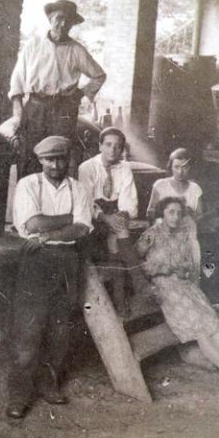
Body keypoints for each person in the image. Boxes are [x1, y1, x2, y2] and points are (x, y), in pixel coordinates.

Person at [7, 135, 93, 419]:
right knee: (28, 330)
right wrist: (69, 218)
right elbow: (32, 222)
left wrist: (46, 234)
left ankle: (47, 384)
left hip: (68, 260)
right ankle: (19, 395)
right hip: (36, 261)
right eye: (50, 159)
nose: (56, 164)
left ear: (69, 159)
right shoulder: (27, 184)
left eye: (61, 159)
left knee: (60, 330)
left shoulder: (79, 188)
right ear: (41, 160)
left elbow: (82, 229)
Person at [136, 197, 219, 381]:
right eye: (171, 212)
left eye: (179, 213)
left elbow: (189, 264)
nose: (175, 217)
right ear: (162, 214)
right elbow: (138, 263)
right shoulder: (151, 234)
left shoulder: (181, 235)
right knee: (199, 325)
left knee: (211, 319)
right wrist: (163, 269)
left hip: (184, 285)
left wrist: (183, 269)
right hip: (165, 287)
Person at [7, 0, 107, 178]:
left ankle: (57, 202)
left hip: (64, 110)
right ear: (50, 19)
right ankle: (28, 200)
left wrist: (80, 93)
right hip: (35, 107)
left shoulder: (76, 50)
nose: (63, 24)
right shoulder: (34, 45)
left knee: (59, 158)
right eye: (59, 18)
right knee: (29, 155)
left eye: (68, 21)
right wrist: (18, 107)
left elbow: (99, 75)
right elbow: (18, 77)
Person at [78, 127, 149, 315]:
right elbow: (86, 202)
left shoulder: (124, 167)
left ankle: (120, 300)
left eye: (118, 146)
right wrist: (105, 217)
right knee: (119, 234)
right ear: (100, 146)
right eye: (108, 145)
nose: (113, 150)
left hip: (117, 216)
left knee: (116, 240)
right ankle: (137, 280)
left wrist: (121, 215)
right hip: (94, 219)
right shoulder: (87, 168)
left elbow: (128, 198)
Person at [145, 148, 202, 280]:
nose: (180, 172)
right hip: (163, 236)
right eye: (176, 167)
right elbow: (150, 213)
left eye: (185, 167)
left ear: (190, 167)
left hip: (186, 238)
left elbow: (200, 216)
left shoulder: (195, 188)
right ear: (170, 166)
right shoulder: (160, 185)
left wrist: (189, 213)